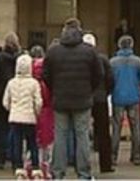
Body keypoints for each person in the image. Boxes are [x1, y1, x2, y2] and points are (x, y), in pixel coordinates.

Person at [43, 18, 101, 180]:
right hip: (82, 99)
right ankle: (83, 173)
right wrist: (89, 89)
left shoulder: (53, 51)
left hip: (60, 99)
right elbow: (98, 75)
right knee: (82, 135)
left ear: (64, 30)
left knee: (60, 136)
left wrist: (55, 88)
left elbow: (45, 74)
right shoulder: (89, 52)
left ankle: (58, 172)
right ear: (80, 30)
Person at [110, 35, 140, 166]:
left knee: (116, 128)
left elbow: (109, 79)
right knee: (135, 128)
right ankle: (137, 156)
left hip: (118, 96)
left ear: (119, 46)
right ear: (131, 45)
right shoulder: (137, 61)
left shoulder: (113, 62)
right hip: (133, 97)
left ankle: (113, 157)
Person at [3, 54, 42, 171]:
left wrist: (12, 110)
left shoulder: (11, 82)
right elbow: (38, 102)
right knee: (32, 142)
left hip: (15, 116)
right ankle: (35, 164)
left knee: (17, 142)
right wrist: (36, 113)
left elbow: (5, 101)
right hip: (29, 117)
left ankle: (18, 165)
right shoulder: (34, 83)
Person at [82, 33, 114, 173]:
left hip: (84, 97)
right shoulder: (103, 59)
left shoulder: (81, 59)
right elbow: (110, 79)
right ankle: (105, 164)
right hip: (100, 98)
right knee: (103, 132)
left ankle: (82, 164)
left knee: (81, 131)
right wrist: (106, 92)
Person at [0, 33, 21, 170]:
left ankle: (0, 159)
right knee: (15, 130)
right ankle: (15, 160)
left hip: (1, 96)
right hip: (17, 96)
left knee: (2, 128)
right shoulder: (19, 58)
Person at [29, 47, 54, 172]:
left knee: (33, 139)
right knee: (47, 140)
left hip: (32, 112)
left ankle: (32, 161)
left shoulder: (31, 82)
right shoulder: (47, 82)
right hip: (48, 112)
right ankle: (46, 162)